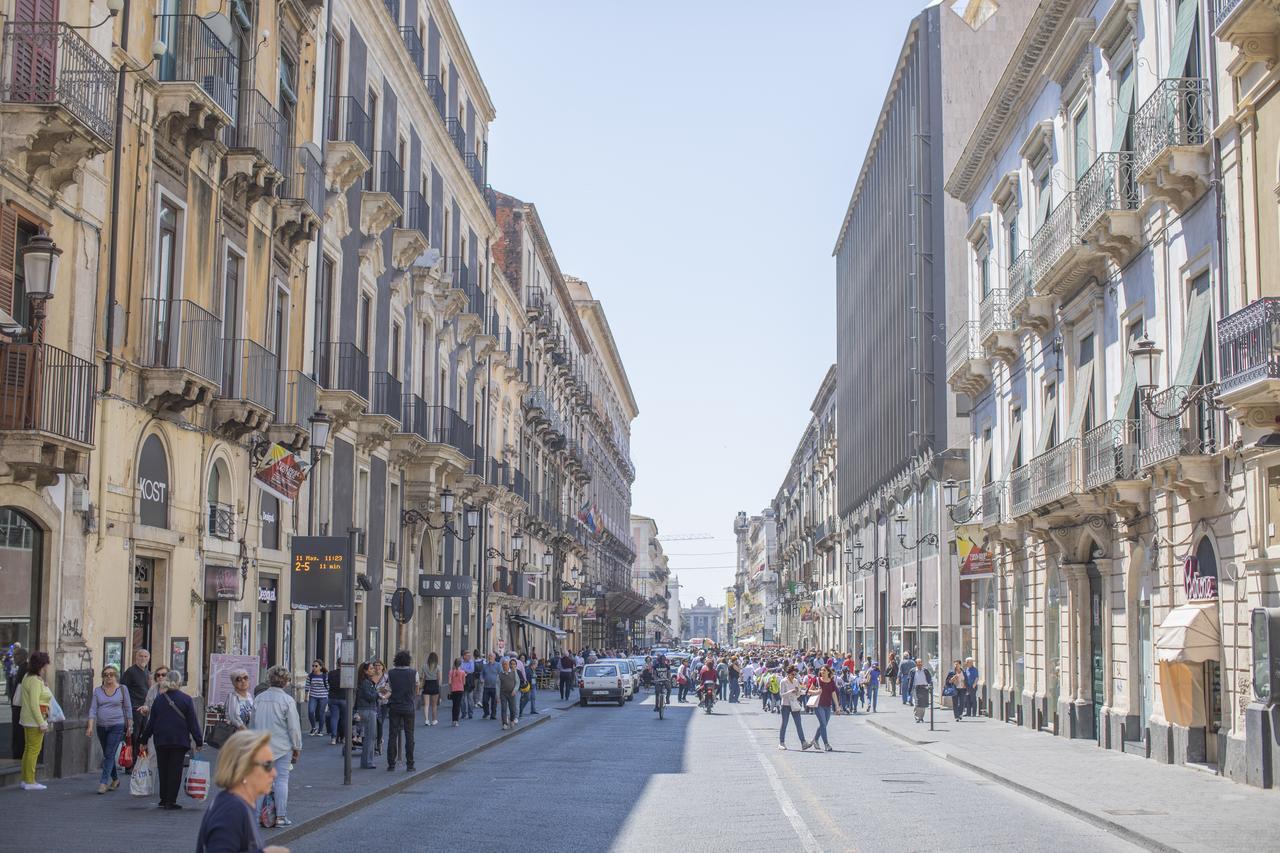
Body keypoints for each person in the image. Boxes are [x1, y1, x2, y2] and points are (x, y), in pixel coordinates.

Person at [196, 729, 290, 853]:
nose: (274, 773)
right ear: (244, 768)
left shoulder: (236, 804)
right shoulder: (232, 809)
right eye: (268, 765)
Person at [138, 670, 203, 809]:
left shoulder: (159, 699)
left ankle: (163, 798)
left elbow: (151, 722)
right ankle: (171, 800)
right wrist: (198, 741)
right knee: (175, 770)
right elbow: (193, 722)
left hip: (161, 739)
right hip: (179, 740)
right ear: (179, 682)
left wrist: (143, 740)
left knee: (163, 768)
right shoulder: (186, 699)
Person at [250, 665, 302, 826]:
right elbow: (293, 727)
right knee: (281, 780)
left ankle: (256, 816)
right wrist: (297, 747)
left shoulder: (259, 698)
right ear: (286, 682)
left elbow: (252, 723)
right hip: (282, 746)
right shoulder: (287, 700)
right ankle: (280, 816)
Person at [85, 664, 132, 793]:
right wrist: (90, 726)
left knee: (109, 754)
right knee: (108, 754)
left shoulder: (123, 689)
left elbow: (128, 708)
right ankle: (115, 779)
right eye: (106, 675)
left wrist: (130, 726)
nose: (108, 677)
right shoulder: (98, 691)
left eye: (111, 674)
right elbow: (93, 709)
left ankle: (103, 782)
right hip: (101, 726)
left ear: (116, 676)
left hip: (117, 725)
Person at [18, 651, 52, 790]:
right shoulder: (35, 681)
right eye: (46, 665)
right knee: (33, 751)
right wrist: (42, 723)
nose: (47, 667)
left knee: (28, 750)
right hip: (34, 720)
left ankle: (25, 779)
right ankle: (30, 781)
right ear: (42, 665)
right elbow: (34, 704)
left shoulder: (28, 676)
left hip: (27, 719)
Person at [386, 650, 417, 772]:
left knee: (392, 735)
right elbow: (416, 687)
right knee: (409, 735)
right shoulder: (413, 673)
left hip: (394, 706)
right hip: (408, 706)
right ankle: (410, 764)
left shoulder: (391, 673)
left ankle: (391, 764)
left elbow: (389, 689)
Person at [777, 666, 810, 751]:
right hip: (786, 705)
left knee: (799, 724)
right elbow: (781, 695)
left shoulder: (795, 681)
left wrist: (798, 692)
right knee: (784, 724)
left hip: (794, 704)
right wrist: (790, 692)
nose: (794, 676)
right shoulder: (783, 681)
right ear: (788, 673)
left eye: (795, 674)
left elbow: (798, 694)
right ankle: (781, 742)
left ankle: (803, 742)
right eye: (792, 674)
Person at [121, 648, 150, 741]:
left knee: (143, 736)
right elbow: (122, 689)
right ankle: (133, 756)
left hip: (145, 709)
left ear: (148, 658)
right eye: (140, 656)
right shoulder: (130, 671)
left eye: (145, 656)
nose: (143, 658)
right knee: (134, 737)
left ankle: (138, 755)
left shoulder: (147, 672)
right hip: (134, 710)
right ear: (136, 658)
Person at [355, 662, 378, 770]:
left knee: (370, 736)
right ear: (365, 671)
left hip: (366, 709)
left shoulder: (367, 682)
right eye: (371, 668)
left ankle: (367, 761)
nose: (373, 670)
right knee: (370, 736)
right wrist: (377, 694)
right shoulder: (366, 683)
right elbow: (370, 697)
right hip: (367, 710)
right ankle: (367, 762)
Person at [7, 645, 28, 761]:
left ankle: (18, 754)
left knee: (19, 734)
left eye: (17, 655)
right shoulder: (19, 668)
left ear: (23, 656)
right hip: (16, 706)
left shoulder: (24, 669)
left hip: (20, 707)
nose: (14, 657)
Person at [811, 665, 839, 752]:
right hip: (818, 705)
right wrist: (817, 691)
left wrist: (837, 706)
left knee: (824, 724)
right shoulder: (817, 680)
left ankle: (815, 740)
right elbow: (809, 691)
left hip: (828, 705)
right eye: (821, 670)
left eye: (824, 670)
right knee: (823, 724)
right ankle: (826, 744)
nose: (822, 672)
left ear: (828, 672)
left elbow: (833, 694)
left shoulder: (831, 682)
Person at [305, 660, 328, 737]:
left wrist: (328, 696)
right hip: (313, 696)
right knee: (311, 711)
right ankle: (313, 727)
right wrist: (306, 696)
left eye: (316, 666)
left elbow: (328, 687)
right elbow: (307, 686)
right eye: (313, 666)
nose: (314, 667)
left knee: (321, 713)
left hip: (323, 696)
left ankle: (320, 730)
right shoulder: (310, 676)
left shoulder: (324, 676)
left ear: (320, 667)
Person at [906, 658, 933, 723]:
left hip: (924, 688)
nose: (920, 665)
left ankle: (921, 717)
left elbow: (929, 679)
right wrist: (909, 691)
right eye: (918, 664)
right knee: (917, 703)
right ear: (916, 664)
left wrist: (930, 686)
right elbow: (909, 680)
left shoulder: (925, 671)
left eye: (920, 663)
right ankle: (917, 717)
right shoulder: (912, 671)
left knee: (923, 704)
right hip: (916, 688)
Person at [326, 663, 345, 745]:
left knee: (334, 718)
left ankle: (333, 737)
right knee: (345, 718)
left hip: (333, 697)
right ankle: (343, 737)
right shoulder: (346, 674)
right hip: (344, 698)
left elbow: (327, 683)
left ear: (337, 664)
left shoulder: (331, 673)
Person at [498, 658, 519, 730]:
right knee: (504, 708)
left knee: (512, 709)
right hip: (503, 693)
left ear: (508, 665)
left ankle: (512, 720)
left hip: (511, 693)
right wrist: (497, 696)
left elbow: (517, 682)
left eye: (506, 664)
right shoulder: (500, 674)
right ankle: (504, 723)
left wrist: (515, 690)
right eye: (503, 664)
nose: (504, 666)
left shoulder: (513, 673)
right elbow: (497, 686)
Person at [421, 652, 441, 727]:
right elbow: (439, 678)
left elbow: (423, 677)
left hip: (427, 684)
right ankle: (434, 720)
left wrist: (422, 685)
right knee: (434, 705)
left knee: (426, 704)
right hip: (434, 685)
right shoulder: (438, 667)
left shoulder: (424, 666)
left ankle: (426, 720)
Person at [480, 652, 501, 720]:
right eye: (489, 656)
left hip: (495, 687)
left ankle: (493, 715)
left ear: (494, 657)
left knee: (494, 702)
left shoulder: (498, 665)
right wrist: (482, 679)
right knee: (484, 701)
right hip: (486, 687)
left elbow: (501, 674)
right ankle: (486, 713)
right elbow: (481, 674)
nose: (490, 658)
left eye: (491, 656)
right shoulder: (485, 666)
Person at [447, 658, 466, 727]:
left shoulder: (451, 672)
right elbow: (464, 683)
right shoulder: (463, 672)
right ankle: (456, 721)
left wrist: (450, 689)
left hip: (453, 690)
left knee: (454, 705)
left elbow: (449, 682)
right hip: (460, 689)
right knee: (458, 705)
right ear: (460, 664)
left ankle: (453, 720)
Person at [461, 651, 477, 719]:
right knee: (462, 699)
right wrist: (465, 671)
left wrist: (464, 671)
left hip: (469, 682)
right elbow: (459, 669)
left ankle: (470, 714)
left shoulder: (471, 662)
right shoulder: (461, 662)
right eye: (467, 655)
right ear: (464, 656)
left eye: (470, 656)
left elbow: (472, 670)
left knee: (470, 698)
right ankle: (464, 714)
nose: (469, 657)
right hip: (461, 682)